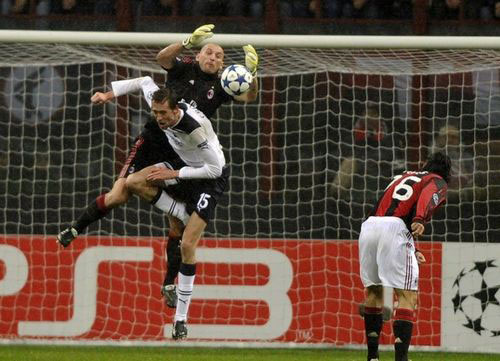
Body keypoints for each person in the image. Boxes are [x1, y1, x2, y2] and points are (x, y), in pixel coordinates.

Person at [57, 24, 259, 309]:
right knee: (119, 194)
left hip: (181, 152)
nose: (213, 57)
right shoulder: (184, 65)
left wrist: (253, 75)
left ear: (223, 64)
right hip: (152, 139)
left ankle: (168, 284)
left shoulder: (223, 85)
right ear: (199, 54)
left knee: (176, 227)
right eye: (209, 52)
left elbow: (249, 96)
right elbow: (161, 60)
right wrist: (187, 41)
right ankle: (74, 229)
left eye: (218, 56)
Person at [138, 87, 229, 340]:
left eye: (163, 113)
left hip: (209, 180)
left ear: (175, 109)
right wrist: (109, 94)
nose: (158, 118)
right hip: (187, 168)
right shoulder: (162, 107)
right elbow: (144, 81)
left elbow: (216, 170)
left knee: (188, 245)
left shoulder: (193, 128)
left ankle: (180, 320)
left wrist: (174, 174)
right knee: (134, 182)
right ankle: (179, 210)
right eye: (155, 112)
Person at [358, 152, 451, 361]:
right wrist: (421, 218)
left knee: (373, 292)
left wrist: (412, 249)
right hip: (394, 229)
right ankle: (401, 358)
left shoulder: (401, 176)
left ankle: (372, 357)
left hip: (369, 226)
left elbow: (387, 205)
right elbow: (428, 197)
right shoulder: (436, 180)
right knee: (407, 295)